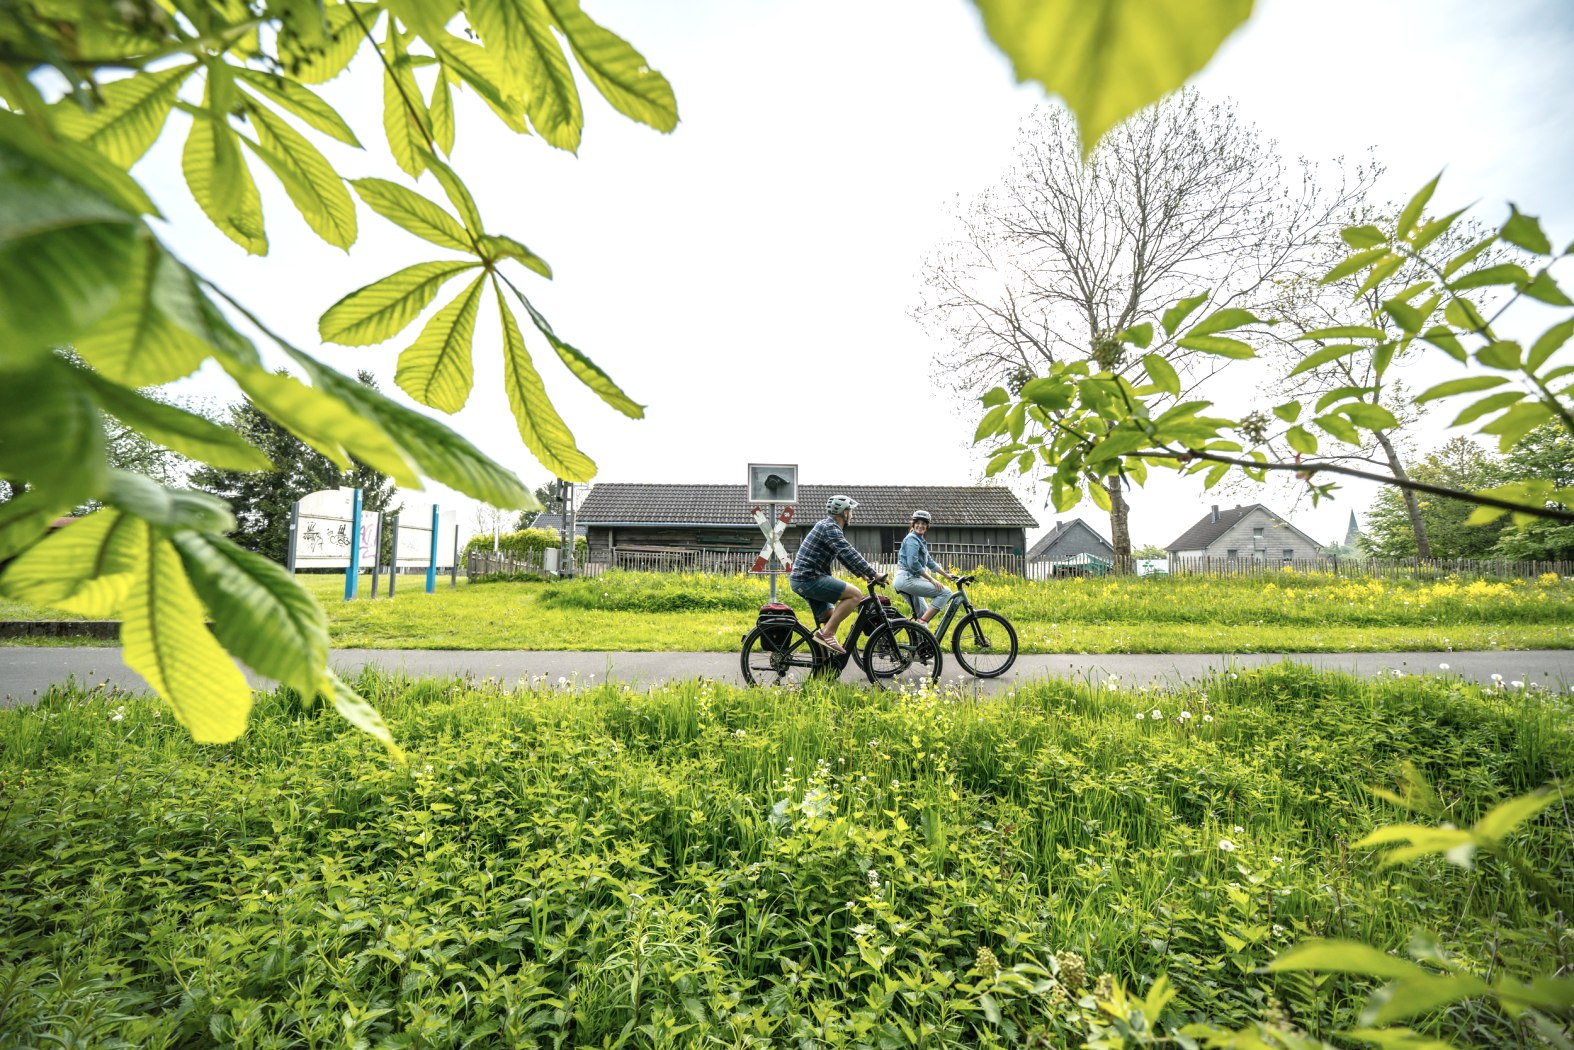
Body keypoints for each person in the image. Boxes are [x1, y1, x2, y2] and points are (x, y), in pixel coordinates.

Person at [789, 495, 887, 654]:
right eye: (851, 511)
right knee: (855, 595)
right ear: (844, 513)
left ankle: (823, 664)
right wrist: (874, 573)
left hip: (803, 579)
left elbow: (842, 555)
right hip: (809, 578)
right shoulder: (831, 528)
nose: (852, 515)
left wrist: (861, 573)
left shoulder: (828, 526)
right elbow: (848, 551)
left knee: (829, 615)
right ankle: (827, 634)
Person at [894, 510, 956, 626]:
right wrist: (931, 579)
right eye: (917, 523)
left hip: (909, 579)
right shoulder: (912, 539)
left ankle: (921, 640)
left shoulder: (920, 540)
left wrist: (946, 575)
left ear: (927, 526)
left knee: (922, 612)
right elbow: (913, 564)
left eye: (924, 523)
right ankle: (921, 624)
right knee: (945, 592)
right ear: (913, 524)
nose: (920, 526)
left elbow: (930, 562)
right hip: (907, 579)